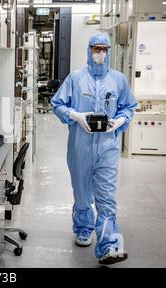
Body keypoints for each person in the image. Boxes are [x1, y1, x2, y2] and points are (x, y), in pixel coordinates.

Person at [51, 33, 137, 265]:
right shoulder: (75, 78)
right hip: (80, 146)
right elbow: (57, 104)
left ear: (108, 51)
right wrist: (76, 116)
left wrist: (118, 121)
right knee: (82, 194)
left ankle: (108, 246)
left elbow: (129, 107)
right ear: (89, 50)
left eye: (103, 49)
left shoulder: (118, 80)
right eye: (96, 49)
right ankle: (83, 227)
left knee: (107, 198)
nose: (100, 53)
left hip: (108, 147)